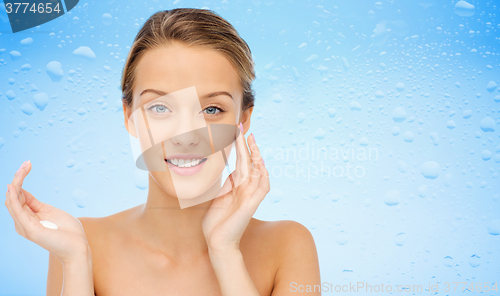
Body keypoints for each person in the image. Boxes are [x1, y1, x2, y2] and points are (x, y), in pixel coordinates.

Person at [5, 8, 321, 296]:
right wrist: (75, 261)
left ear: (243, 119)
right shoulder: (81, 242)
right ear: (129, 116)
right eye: (160, 107)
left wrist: (225, 251)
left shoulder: (287, 246)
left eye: (212, 108)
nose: (186, 137)